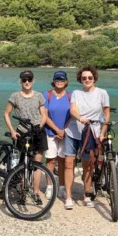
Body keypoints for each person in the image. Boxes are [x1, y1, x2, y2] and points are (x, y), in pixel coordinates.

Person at [63, 65, 110, 210]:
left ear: (94, 78)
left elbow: (107, 114)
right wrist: (80, 117)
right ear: (80, 79)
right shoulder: (76, 93)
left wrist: (102, 133)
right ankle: (69, 197)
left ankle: (86, 195)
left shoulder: (102, 93)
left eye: (90, 77)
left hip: (92, 134)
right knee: (69, 164)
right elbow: (72, 110)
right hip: (73, 132)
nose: (87, 80)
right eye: (84, 78)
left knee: (88, 165)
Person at [3, 70, 48, 205]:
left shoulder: (39, 95)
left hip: (37, 131)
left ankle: (35, 192)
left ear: (33, 81)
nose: (27, 82)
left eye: (29, 79)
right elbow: (6, 114)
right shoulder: (15, 96)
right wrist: (12, 131)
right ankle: (22, 192)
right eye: (24, 80)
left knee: (38, 163)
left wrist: (40, 126)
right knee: (23, 163)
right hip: (22, 132)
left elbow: (44, 114)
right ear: (20, 81)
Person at [42, 71, 71, 201]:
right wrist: (57, 130)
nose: (59, 81)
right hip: (50, 133)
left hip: (65, 134)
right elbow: (45, 116)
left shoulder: (70, 96)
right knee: (51, 160)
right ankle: (49, 187)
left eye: (62, 79)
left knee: (62, 161)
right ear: (53, 81)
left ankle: (62, 187)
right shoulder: (47, 95)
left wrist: (63, 130)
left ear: (66, 82)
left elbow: (72, 116)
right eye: (57, 79)